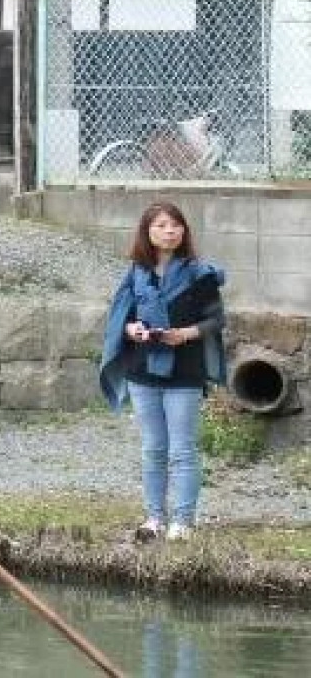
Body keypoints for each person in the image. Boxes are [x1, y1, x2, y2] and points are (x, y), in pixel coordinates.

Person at [97, 202, 228, 543]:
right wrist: (133, 332)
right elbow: (120, 319)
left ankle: (183, 521)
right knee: (154, 448)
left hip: (185, 372)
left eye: (176, 225)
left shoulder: (200, 274)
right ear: (148, 232)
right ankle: (155, 517)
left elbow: (216, 320)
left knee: (182, 449)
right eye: (162, 225)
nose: (170, 231)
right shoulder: (136, 273)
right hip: (142, 372)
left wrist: (184, 334)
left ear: (184, 231)